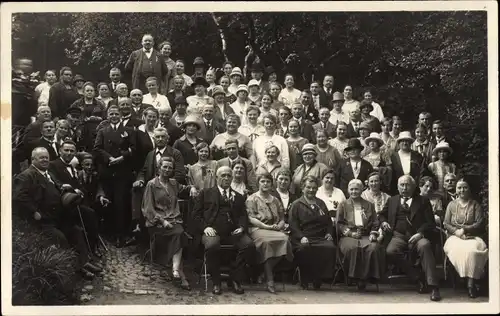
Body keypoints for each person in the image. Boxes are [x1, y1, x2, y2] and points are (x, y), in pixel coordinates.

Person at [13, 147, 103, 279]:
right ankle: (77, 269)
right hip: (42, 220)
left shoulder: (48, 173)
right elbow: (19, 197)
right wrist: (34, 212)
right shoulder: (27, 175)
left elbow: (57, 187)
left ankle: (84, 262)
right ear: (33, 160)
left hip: (57, 217)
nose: (45, 160)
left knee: (76, 231)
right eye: (41, 158)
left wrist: (63, 188)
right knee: (60, 237)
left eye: (46, 158)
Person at [192, 166, 257, 295]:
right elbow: (195, 216)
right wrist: (205, 227)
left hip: (233, 232)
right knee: (212, 245)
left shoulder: (238, 197)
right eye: (223, 175)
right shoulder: (205, 193)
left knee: (248, 245)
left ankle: (235, 279)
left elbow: (243, 216)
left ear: (232, 178)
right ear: (216, 178)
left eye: (228, 176)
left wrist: (241, 227)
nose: (226, 178)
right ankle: (216, 281)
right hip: (212, 231)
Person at [379, 175, 442, 302]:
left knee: (425, 246)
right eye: (401, 185)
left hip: (417, 236)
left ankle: (433, 286)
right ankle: (417, 277)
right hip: (398, 236)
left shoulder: (423, 201)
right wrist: (384, 222)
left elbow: (430, 222)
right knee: (390, 252)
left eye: (407, 185)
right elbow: (381, 215)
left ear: (414, 187)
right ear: (397, 187)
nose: (404, 188)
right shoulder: (392, 200)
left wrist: (420, 233)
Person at [142, 156, 198, 290]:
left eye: (170, 168)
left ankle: (176, 269)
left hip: (174, 220)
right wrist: (162, 221)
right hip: (157, 223)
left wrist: (192, 188)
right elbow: (148, 209)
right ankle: (177, 271)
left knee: (180, 233)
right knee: (179, 234)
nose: (167, 170)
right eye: (164, 167)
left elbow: (185, 188)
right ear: (159, 168)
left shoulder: (174, 183)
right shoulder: (152, 184)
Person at [93, 105, 137, 247]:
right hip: (107, 171)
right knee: (109, 201)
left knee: (121, 203)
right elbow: (97, 148)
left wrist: (122, 158)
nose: (114, 116)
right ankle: (109, 232)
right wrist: (109, 158)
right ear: (107, 115)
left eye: (116, 113)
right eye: (111, 113)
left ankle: (120, 235)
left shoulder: (129, 131)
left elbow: (134, 148)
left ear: (121, 115)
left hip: (122, 172)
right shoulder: (103, 131)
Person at [246, 173, 293, 294]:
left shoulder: (276, 200)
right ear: (258, 183)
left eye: (268, 181)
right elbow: (251, 219)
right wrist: (266, 226)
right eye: (262, 181)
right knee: (267, 243)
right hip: (258, 229)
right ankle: (270, 280)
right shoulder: (252, 198)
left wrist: (280, 226)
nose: (265, 184)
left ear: (272, 184)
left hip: (275, 229)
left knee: (285, 240)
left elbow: (282, 218)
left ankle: (264, 271)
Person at [288, 176, 336, 290]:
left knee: (330, 247)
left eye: (314, 188)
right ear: (303, 188)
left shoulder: (321, 203)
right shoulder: (296, 204)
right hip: (303, 236)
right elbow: (293, 225)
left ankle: (318, 277)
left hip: (320, 237)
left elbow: (328, 222)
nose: (311, 190)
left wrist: (329, 233)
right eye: (308, 187)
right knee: (304, 249)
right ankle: (305, 277)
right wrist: (301, 236)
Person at [443, 178, 488, 298]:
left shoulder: (475, 205)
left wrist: (465, 229)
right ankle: (463, 277)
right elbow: (446, 223)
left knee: (472, 252)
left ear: (469, 189)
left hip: (472, 237)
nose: (462, 190)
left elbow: (480, 222)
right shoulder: (451, 205)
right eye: (459, 187)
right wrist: (456, 231)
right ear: (456, 190)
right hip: (455, 237)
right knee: (460, 250)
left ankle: (470, 284)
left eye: (465, 187)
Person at [337, 179, 384, 291]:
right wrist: (350, 233)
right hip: (348, 236)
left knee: (373, 247)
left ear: (362, 189)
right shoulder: (343, 204)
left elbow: (375, 222)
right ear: (348, 190)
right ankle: (353, 277)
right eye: (351, 189)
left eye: (357, 189)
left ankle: (366, 278)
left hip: (366, 235)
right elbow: (339, 224)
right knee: (353, 248)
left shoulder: (369, 205)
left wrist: (373, 233)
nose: (354, 192)